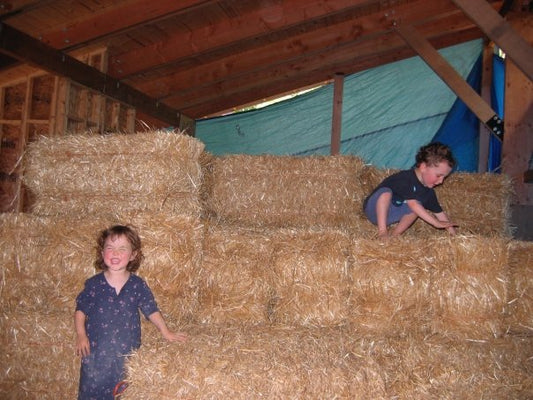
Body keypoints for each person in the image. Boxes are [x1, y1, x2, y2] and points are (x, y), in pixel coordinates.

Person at [74, 225, 187, 400]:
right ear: (102, 253)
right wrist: (81, 335)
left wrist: (166, 332)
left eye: (122, 249)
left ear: (133, 255)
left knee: (122, 392)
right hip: (96, 355)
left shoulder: (137, 285)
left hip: (126, 354)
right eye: (109, 248)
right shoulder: (93, 285)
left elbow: (151, 310)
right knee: (91, 392)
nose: (115, 253)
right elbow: (81, 310)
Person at [363, 142, 457, 239]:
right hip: (373, 210)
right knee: (386, 194)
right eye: (438, 175)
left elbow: (440, 214)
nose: (441, 181)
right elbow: (413, 204)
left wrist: (454, 236)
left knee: (417, 209)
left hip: (391, 215)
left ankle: (394, 236)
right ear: (423, 167)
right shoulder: (405, 178)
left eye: (444, 177)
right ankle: (382, 232)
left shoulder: (428, 192)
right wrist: (435, 223)